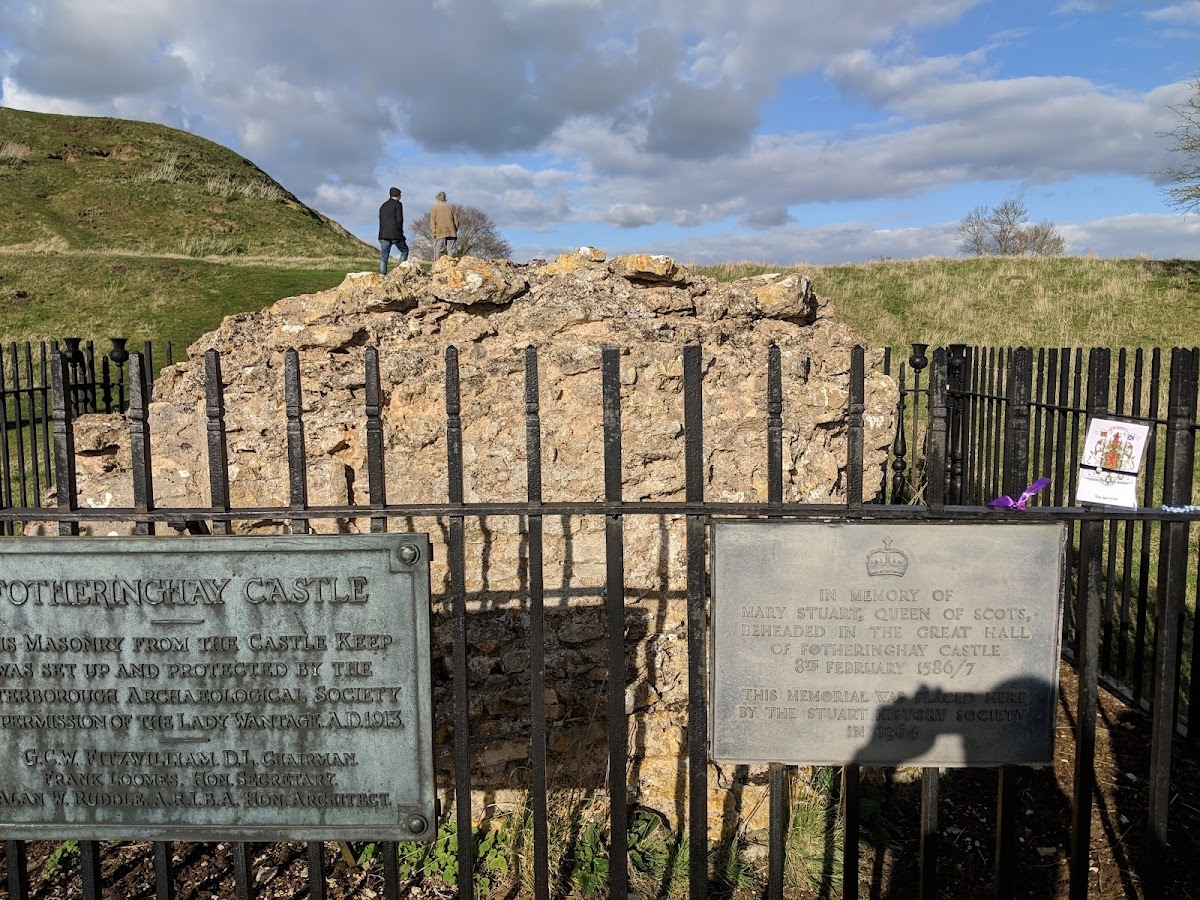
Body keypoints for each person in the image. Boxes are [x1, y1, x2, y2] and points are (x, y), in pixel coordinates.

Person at [378, 187, 408, 274]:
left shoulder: (383, 206)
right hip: (395, 233)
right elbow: (400, 219)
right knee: (404, 250)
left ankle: (382, 275)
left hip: (383, 234)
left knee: (384, 256)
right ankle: (401, 272)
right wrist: (400, 231)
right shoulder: (398, 205)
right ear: (398, 196)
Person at [430, 191, 460, 258]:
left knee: (439, 250)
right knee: (451, 251)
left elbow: (432, 221)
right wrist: (455, 230)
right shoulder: (451, 207)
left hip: (440, 232)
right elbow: (456, 221)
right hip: (451, 232)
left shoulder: (435, 208)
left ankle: (438, 266)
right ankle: (452, 266)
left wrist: (434, 232)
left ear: (438, 199)